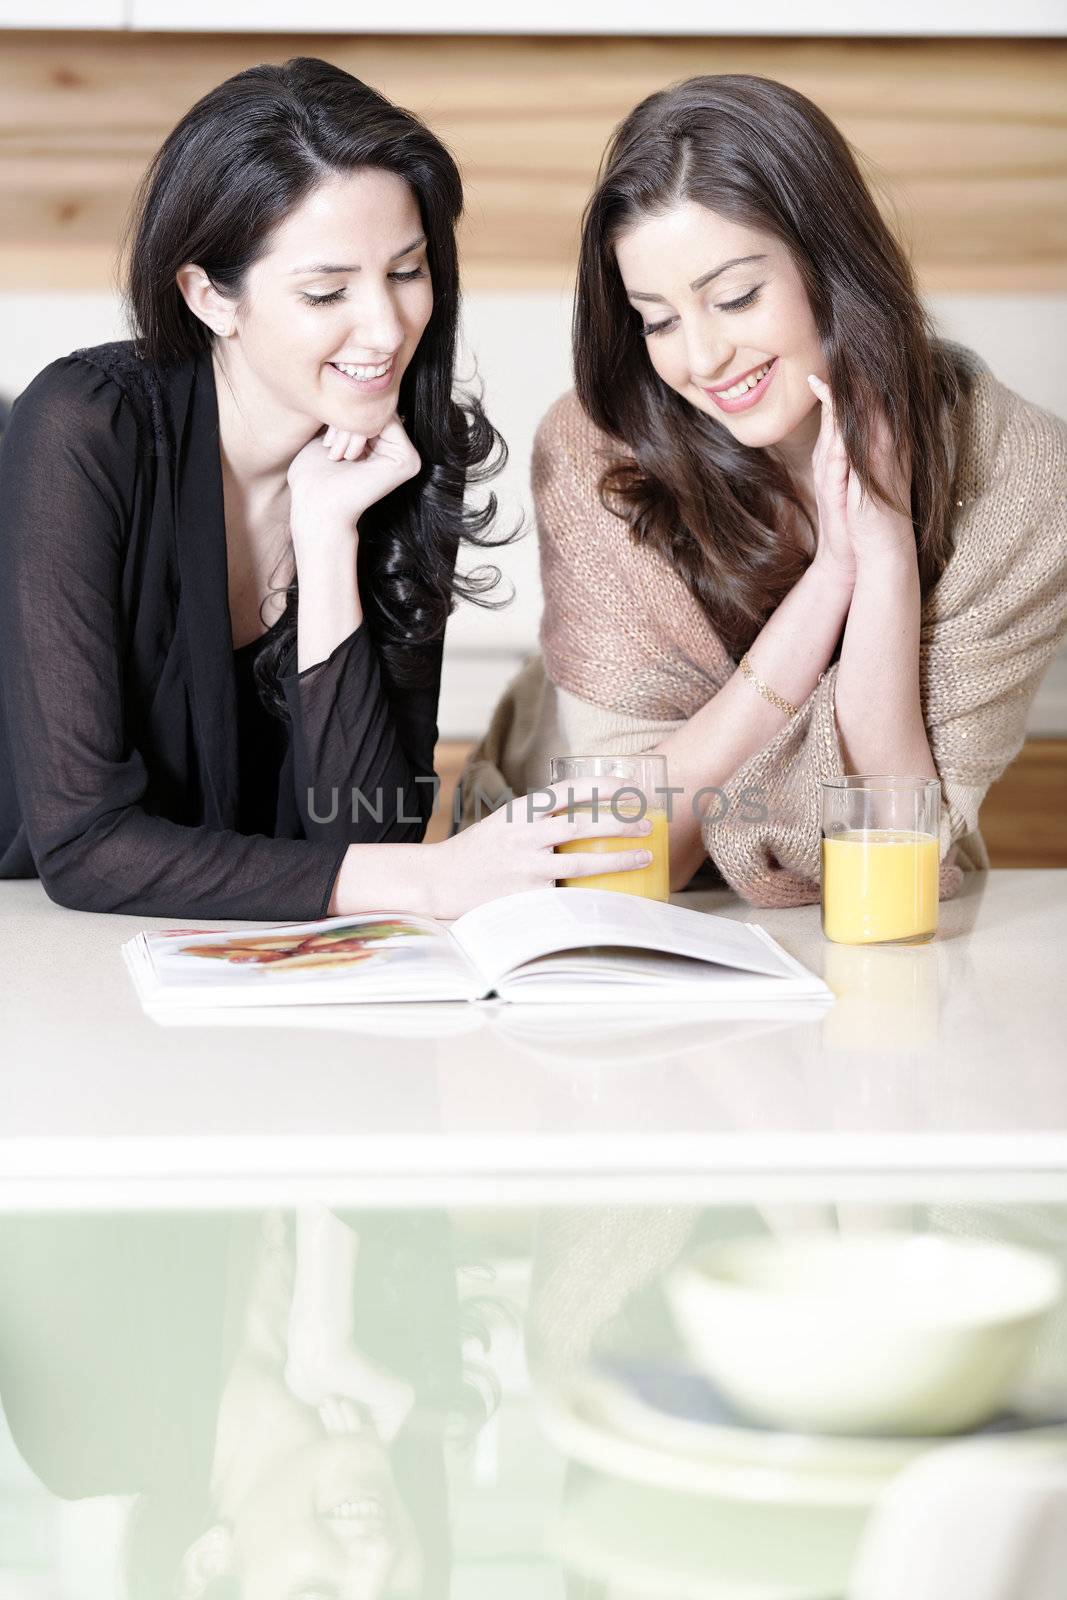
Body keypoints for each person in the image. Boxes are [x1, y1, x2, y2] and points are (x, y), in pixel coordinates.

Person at [0, 56, 651, 921]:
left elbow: (367, 829)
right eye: (326, 291)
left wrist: (327, 541)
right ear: (207, 296)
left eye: (407, 271)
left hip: (256, 965)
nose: (384, 327)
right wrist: (430, 880)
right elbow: (85, 847)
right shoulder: (86, 430)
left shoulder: (412, 453)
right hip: (37, 954)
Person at [459, 74, 1067, 906]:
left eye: (735, 297)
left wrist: (883, 552)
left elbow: (895, 850)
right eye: (658, 320)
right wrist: (829, 587)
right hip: (585, 901)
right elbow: (628, 851)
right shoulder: (598, 450)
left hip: (859, 921)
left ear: (831, 264)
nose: (701, 360)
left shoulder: (1017, 471)